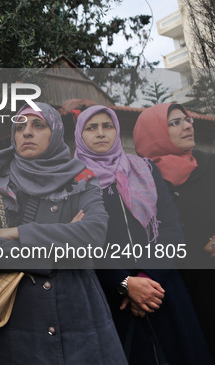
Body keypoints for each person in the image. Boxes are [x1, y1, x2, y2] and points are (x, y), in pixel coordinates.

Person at [0, 103, 126, 365]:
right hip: (17, 318)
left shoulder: (81, 178)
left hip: (79, 313)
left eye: (38, 125)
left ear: (55, 132)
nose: (27, 133)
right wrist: (67, 236)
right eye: (20, 127)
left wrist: (16, 232)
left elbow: (93, 236)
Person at [75, 104, 212, 365]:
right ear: (80, 135)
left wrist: (148, 277)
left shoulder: (144, 169)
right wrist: (125, 283)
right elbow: (82, 243)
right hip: (113, 296)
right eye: (91, 128)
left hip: (161, 288)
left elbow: (170, 227)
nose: (101, 133)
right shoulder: (71, 182)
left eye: (108, 126)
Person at [134, 103, 215, 359]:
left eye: (187, 119)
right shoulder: (139, 180)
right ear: (154, 132)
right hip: (172, 286)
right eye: (174, 122)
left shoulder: (210, 164)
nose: (187, 125)